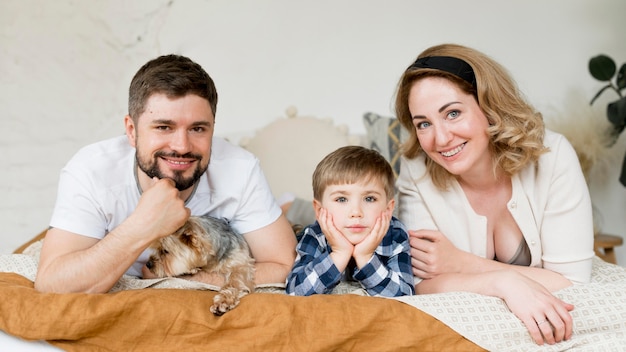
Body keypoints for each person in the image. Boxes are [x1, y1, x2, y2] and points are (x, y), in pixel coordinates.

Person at [34, 54, 297, 293]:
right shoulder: (91, 170)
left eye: (197, 129)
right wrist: (144, 225)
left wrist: (188, 282)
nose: (182, 146)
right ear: (132, 130)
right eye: (163, 127)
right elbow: (52, 283)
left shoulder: (240, 169)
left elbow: (284, 265)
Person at [394, 43, 595, 345]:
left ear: (489, 107)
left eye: (452, 113)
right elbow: (421, 283)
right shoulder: (415, 169)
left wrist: (461, 263)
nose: (440, 138)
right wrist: (504, 282)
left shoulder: (553, 156)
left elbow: (573, 280)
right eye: (424, 123)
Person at [286, 146, 415, 297]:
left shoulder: (395, 234)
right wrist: (339, 254)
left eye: (369, 198)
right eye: (341, 199)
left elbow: (405, 296)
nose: (356, 212)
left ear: (388, 209)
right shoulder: (315, 235)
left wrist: (366, 257)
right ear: (320, 210)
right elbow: (295, 292)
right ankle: (288, 205)